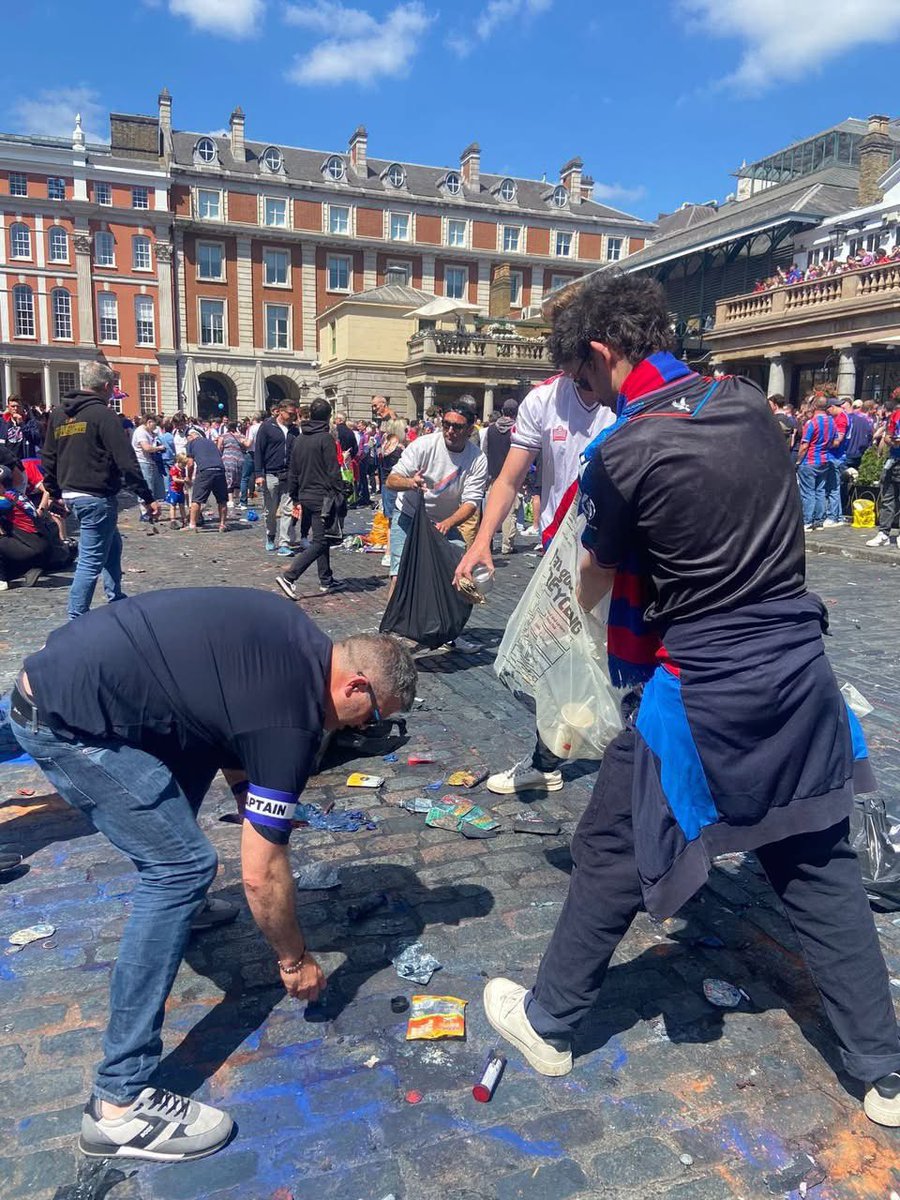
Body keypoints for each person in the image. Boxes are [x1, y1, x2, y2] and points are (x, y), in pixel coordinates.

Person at [480, 271, 900, 1132]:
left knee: (607, 846)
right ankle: (886, 1073)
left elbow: (592, 577)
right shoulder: (750, 404)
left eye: (583, 382)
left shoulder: (625, 451)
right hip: (797, 672)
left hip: (698, 685)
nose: (586, 400)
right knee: (817, 864)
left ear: (601, 353)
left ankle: (552, 1023)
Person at [8, 589, 417, 1160]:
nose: (364, 731)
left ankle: (185, 910)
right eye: (374, 717)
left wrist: (262, 803)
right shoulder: (292, 721)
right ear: (354, 686)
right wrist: (294, 960)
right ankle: (118, 1104)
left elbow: (230, 729)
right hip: (66, 721)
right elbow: (259, 873)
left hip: (91, 680)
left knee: (198, 750)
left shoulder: (295, 637)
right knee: (181, 867)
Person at [454, 293, 617, 795]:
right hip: (559, 555)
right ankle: (548, 759)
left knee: (616, 661)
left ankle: (626, 756)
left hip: (616, 553)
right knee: (553, 659)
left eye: (580, 370)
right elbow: (508, 479)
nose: (577, 382)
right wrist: (482, 539)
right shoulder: (544, 399)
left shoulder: (628, 398)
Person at [39, 362, 158, 621]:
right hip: (96, 495)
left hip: (73, 492)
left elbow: (48, 456)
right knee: (90, 560)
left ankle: (115, 596)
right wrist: (147, 497)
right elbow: (126, 459)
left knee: (112, 543)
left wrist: (53, 489)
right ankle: (76, 617)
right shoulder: (103, 415)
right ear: (106, 387)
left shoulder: (59, 413)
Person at [385, 397, 488, 603]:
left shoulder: (477, 459)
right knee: (399, 575)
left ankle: (444, 625)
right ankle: (390, 628)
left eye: (457, 427)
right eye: (446, 424)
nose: (450, 430)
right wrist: (410, 483)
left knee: (458, 571)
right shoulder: (424, 445)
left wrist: (447, 524)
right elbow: (391, 480)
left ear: (470, 430)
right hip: (409, 516)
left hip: (445, 520)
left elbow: (471, 502)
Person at [276, 399, 346, 599]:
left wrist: (295, 495)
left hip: (305, 494)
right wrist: (341, 491)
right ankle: (290, 576)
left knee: (321, 537)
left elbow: (293, 471)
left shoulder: (299, 438)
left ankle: (326, 579)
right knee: (321, 541)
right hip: (322, 496)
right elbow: (333, 470)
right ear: (328, 416)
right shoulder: (325, 438)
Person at [254, 402, 299, 553]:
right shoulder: (267, 427)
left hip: (289, 474)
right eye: (290, 414)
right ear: (280, 411)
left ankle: (284, 543)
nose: (293, 417)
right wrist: (259, 474)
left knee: (288, 509)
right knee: (270, 510)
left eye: (294, 414)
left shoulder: (294, 430)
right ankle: (270, 536)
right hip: (270, 474)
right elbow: (259, 451)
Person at [0, 465, 48, 590]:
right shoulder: (17, 494)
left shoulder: (5, 500)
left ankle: (1, 579)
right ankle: (28, 568)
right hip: (37, 543)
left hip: (31, 546)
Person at [483, 399, 519, 555]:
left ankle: (487, 542)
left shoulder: (490, 429)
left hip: (493, 474)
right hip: (511, 475)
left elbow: (484, 451)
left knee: (490, 509)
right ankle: (507, 545)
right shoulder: (517, 430)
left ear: (503, 411)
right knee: (510, 512)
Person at [796, 396, 836, 532]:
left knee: (808, 492)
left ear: (814, 406)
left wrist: (798, 460)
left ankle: (807, 521)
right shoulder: (832, 422)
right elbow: (834, 442)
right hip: (824, 459)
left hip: (810, 460)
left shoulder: (811, 423)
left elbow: (804, 445)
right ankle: (819, 520)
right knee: (820, 491)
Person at [866, 390, 900, 548]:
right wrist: (892, 441)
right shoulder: (895, 415)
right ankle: (884, 533)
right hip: (893, 461)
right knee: (887, 498)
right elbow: (887, 436)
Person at [186, 430, 228, 533]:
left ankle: (192, 525)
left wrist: (189, 477)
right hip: (220, 470)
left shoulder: (191, 443)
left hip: (205, 471)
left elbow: (190, 464)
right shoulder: (210, 442)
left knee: (196, 499)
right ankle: (222, 524)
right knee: (222, 500)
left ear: (191, 436)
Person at [131, 417, 166, 519]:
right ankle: (144, 513)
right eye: (154, 424)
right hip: (143, 462)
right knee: (147, 486)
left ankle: (151, 511)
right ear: (149, 422)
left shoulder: (149, 432)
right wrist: (159, 448)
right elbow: (146, 448)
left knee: (154, 488)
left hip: (151, 462)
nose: (155, 427)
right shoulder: (141, 432)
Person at [217, 421, 248, 511]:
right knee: (238, 478)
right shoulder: (241, 436)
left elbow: (219, 448)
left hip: (227, 458)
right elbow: (246, 446)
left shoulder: (223, 436)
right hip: (240, 458)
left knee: (228, 479)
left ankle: (230, 500)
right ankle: (237, 499)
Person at [0, 396, 42, 460]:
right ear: (8, 407)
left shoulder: (30, 422)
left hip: (25, 461)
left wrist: (22, 424)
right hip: (8, 463)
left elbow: (36, 440)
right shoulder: (2, 423)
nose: (15, 408)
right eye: (13, 406)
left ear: (22, 407)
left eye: (18, 406)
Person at [166, 455, 188, 529]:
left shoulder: (183, 469)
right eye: (183, 464)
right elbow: (174, 479)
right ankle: (173, 521)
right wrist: (184, 481)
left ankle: (184, 520)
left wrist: (185, 488)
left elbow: (184, 477)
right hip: (173, 489)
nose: (184, 466)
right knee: (173, 505)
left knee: (182, 505)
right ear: (178, 462)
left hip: (180, 489)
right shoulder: (174, 469)